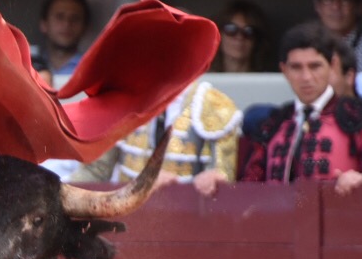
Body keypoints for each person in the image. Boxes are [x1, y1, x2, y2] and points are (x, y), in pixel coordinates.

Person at [240, 23, 362, 192]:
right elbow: (249, 187)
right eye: (296, 67)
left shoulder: (361, 117)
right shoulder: (272, 123)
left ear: (333, 65)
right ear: (284, 70)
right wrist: (221, 183)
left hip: (340, 216)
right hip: (278, 217)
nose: (306, 77)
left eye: (315, 66)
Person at [65, 77, 242, 196]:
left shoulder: (214, 105)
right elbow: (94, 172)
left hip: (189, 225)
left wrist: (212, 180)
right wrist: (60, 196)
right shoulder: (123, 101)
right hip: (130, 221)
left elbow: (224, 175)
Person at [30, 0, 90, 79]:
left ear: (85, 27)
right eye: (59, 17)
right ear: (44, 24)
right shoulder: (28, 66)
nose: (67, 24)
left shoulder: (92, 70)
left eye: (75, 18)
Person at [209, 0, 270, 74]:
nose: (240, 37)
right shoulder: (204, 82)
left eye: (248, 31)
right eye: (231, 29)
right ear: (219, 34)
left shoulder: (265, 80)